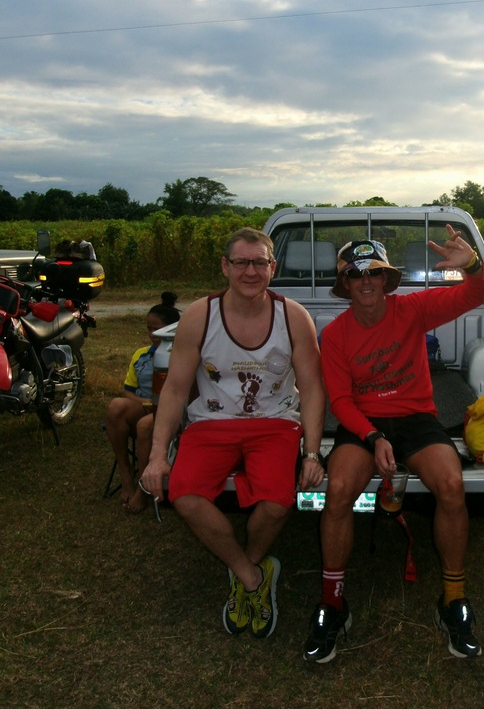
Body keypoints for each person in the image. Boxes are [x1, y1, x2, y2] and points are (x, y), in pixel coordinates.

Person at [303, 226, 484, 663]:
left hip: (416, 419)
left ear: (387, 279)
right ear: (345, 284)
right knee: (338, 491)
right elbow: (340, 401)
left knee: (452, 485)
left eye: (374, 272)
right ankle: (333, 603)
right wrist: (373, 437)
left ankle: (453, 599)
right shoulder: (335, 335)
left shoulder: (413, 309)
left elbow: (475, 294)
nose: (365, 280)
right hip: (363, 425)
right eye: (355, 274)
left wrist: (472, 265)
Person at [141, 227, 325, 640]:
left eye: (259, 262)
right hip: (211, 422)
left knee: (278, 501)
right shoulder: (199, 315)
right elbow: (175, 388)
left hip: (275, 422)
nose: (250, 271)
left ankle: (246, 568)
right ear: (225, 266)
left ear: (273, 267)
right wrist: (157, 454)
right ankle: (251, 576)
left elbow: (313, 387)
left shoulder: (293, 316)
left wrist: (312, 453)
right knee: (184, 494)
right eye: (241, 262)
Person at [105, 291, 181, 514]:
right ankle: (126, 474)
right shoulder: (141, 355)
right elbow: (127, 390)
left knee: (145, 425)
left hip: (171, 412)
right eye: (148, 328)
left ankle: (143, 487)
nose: (151, 334)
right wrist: (144, 401)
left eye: (156, 329)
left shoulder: (182, 356)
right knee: (116, 406)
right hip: (146, 405)